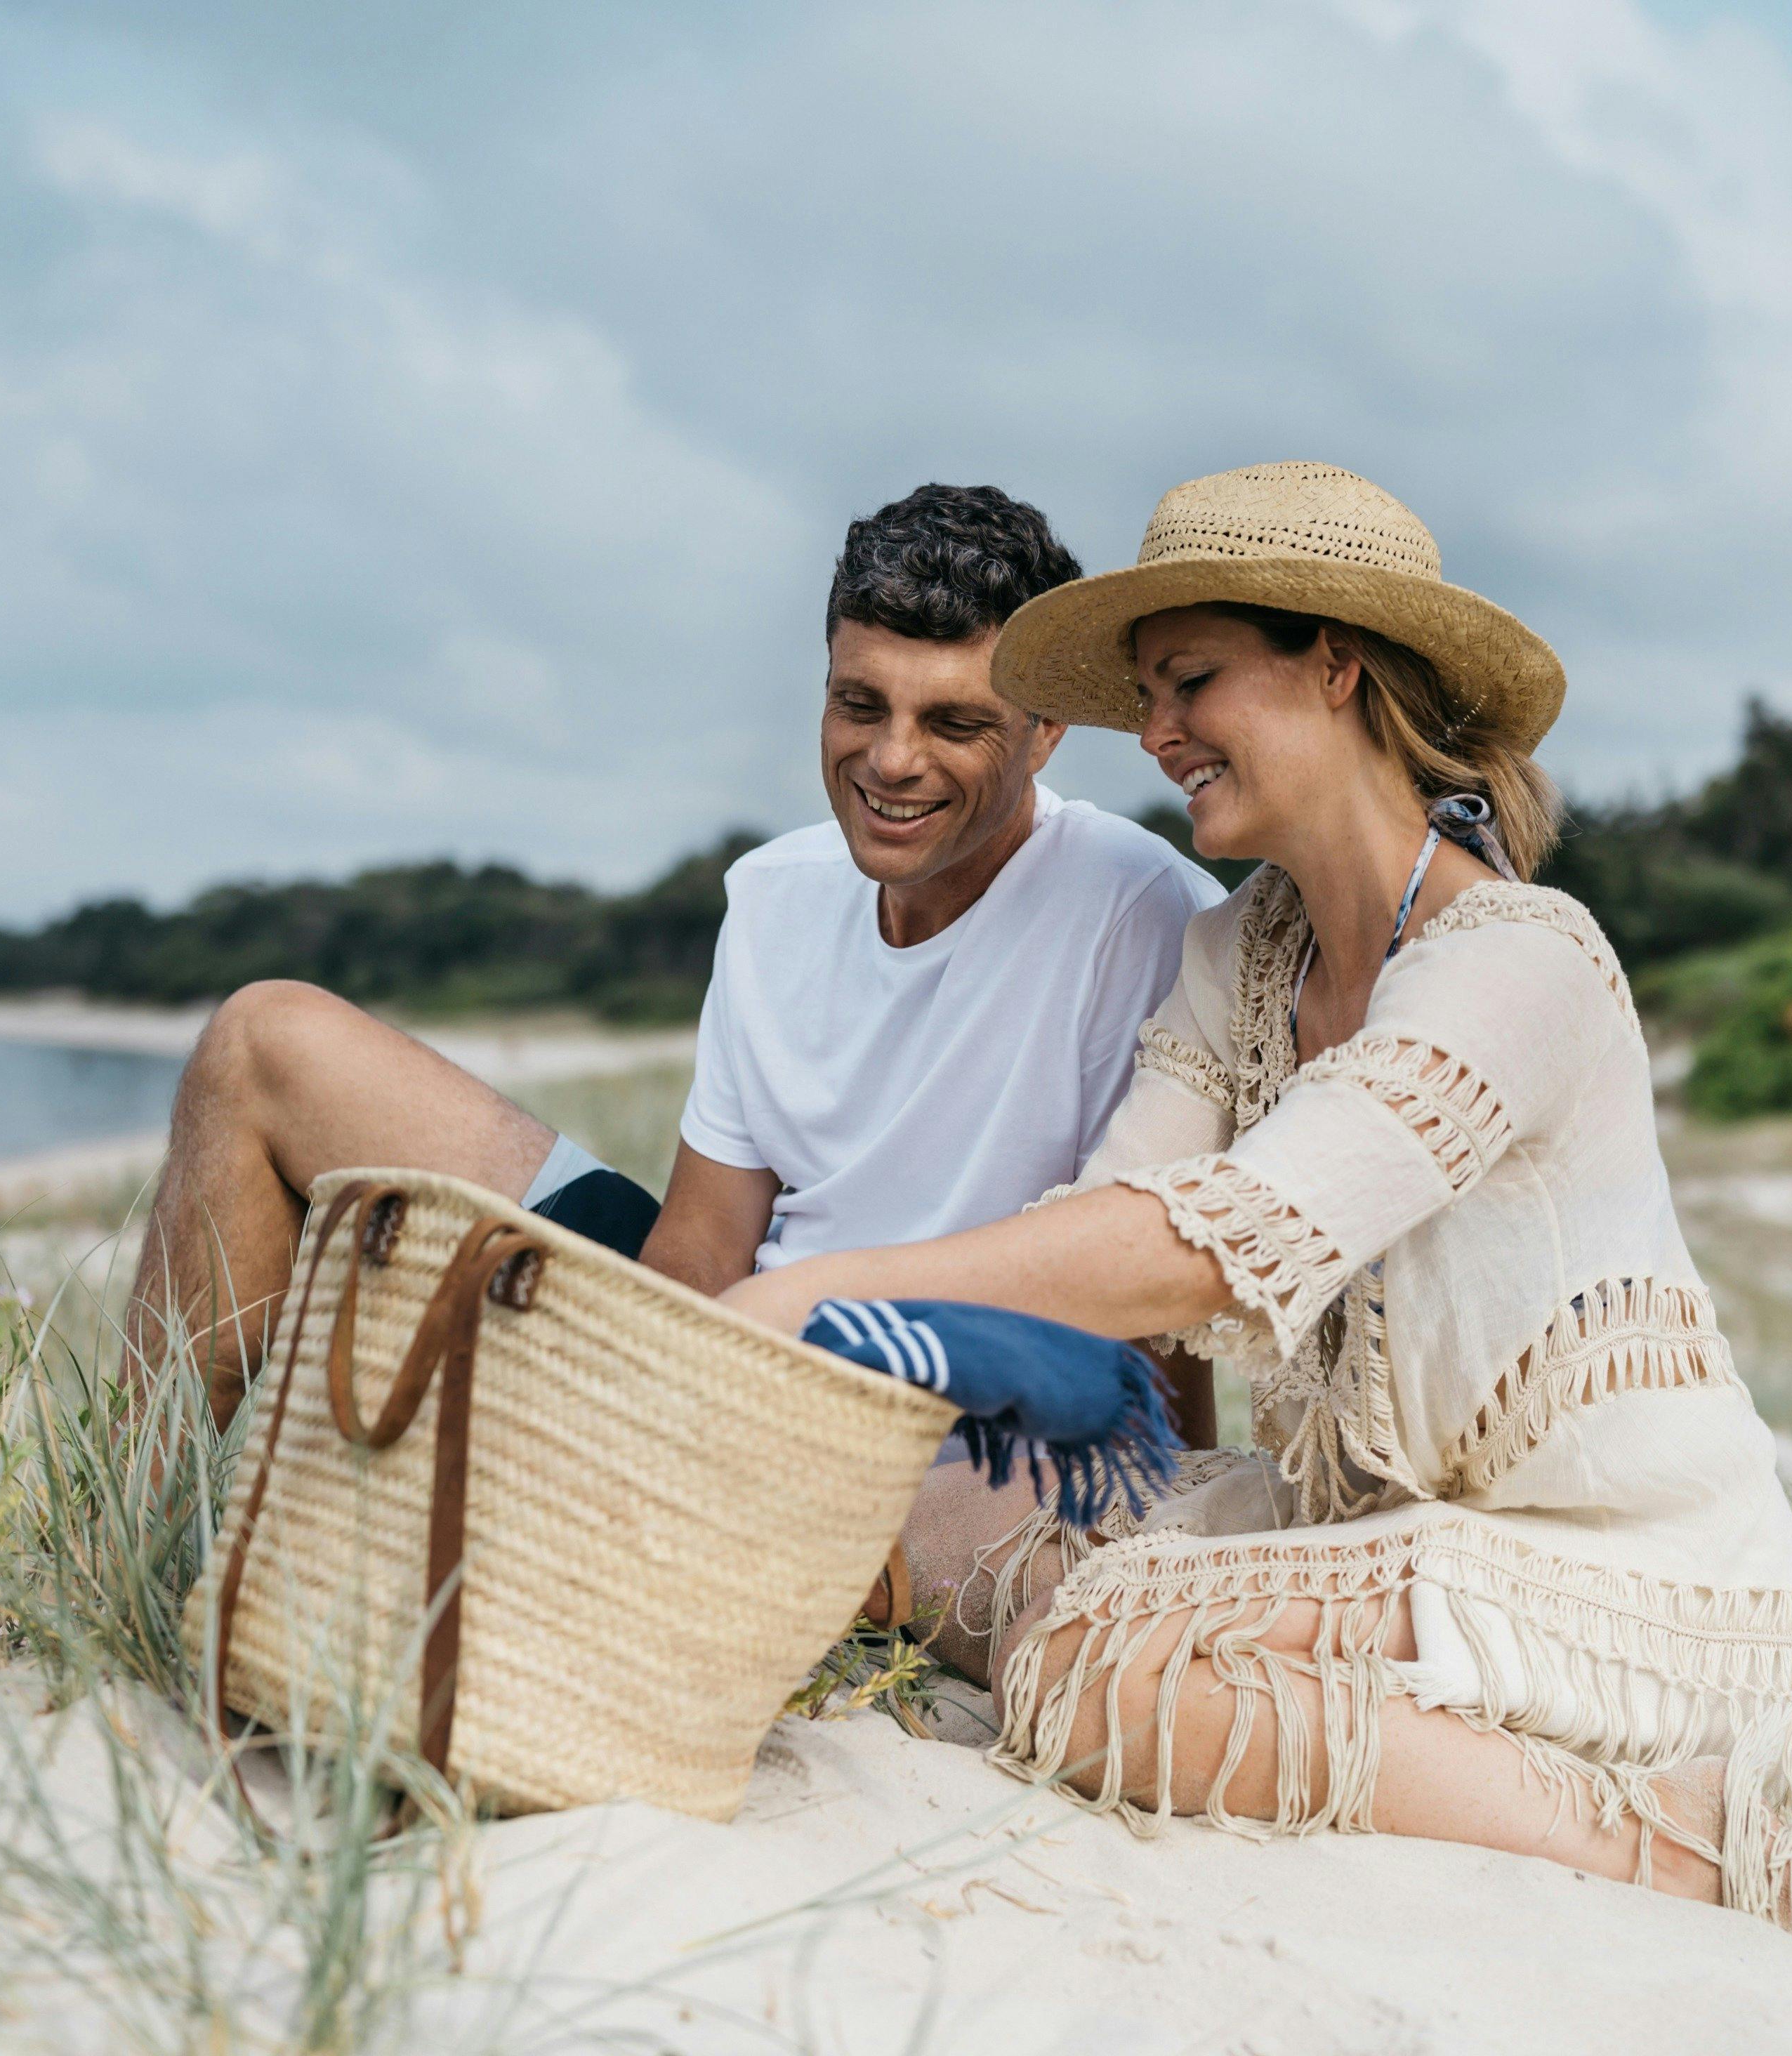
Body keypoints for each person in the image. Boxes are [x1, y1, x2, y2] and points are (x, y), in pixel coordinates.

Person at [719, 461, 1792, 1977]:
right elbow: (1116, 1215)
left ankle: (1678, 1838)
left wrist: (827, 1293)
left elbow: (1216, 1240)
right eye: (1148, 697)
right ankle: (1406, 1733)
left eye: (1190, 683)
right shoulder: (1237, 949)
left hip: (1620, 1578)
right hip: (1371, 1533)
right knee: (937, 1510)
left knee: (1087, 1664)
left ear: (1337, 666)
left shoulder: (1520, 959)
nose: (1157, 734)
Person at [126, 484, 1221, 1431]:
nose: (892, 760)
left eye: (953, 724)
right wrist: (654, 1391)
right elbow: (701, 1245)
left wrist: (1151, 1513)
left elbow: (1149, 1305)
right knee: (262, 1040)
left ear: (1046, 731)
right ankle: (122, 1524)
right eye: (859, 705)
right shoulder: (774, 895)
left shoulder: (1143, 914)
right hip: (731, 1357)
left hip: (935, 1428)